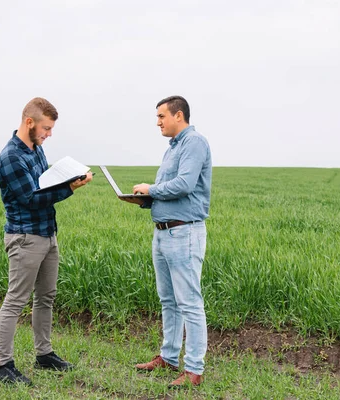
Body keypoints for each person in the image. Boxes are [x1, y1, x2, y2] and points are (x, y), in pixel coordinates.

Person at [0, 97, 93, 385]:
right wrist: (70, 189)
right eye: (46, 128)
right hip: (25, 237)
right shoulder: (11, 157)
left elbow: (44, 182)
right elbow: (30, 199)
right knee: (15, 301)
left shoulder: (36, 150)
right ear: (29, 122)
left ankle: (44, 354)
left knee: (46, 297)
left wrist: (67, 180)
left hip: (47, 234)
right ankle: (3, 366)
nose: (49, 134)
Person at [124, 95, 212, 387]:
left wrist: (152, 187)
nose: (158, 122)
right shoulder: (172, 148)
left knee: (189, 302)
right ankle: (169, 357)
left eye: (162, 116)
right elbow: (170, 191)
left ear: (178, 115)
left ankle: (194, 370)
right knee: (169, 300)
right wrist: (146, 199)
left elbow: (185, 184)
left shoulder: (194, 143)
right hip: (163, 232)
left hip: (184, 232)